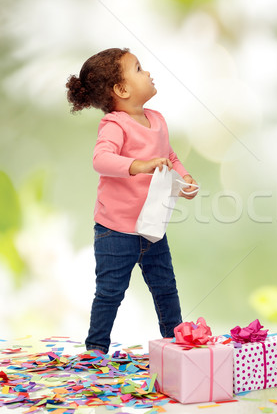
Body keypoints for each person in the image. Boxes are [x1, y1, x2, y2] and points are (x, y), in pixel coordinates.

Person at [66, 48, 198, 354]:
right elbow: (101, 159)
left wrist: (185, 178)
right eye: (139, 69)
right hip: (116, 229)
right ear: (122, 90)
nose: (148, 73)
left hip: (152, 226)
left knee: (166, 288)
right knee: (111, 292)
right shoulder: (115, 124)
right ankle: (96, 349)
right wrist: (138, 165)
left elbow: (170, 157)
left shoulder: (158, 119)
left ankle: (175, 345)